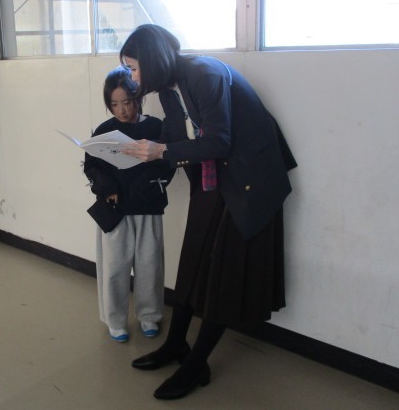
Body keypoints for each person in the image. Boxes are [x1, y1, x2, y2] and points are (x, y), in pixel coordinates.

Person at [120, 24, 297, 400]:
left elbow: (219, 140)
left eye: (133, 68)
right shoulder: (169, 88)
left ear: (152, 60)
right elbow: (174, 138)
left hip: (252, 179)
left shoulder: (205, 73)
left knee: (224, 274)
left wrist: (161, 151)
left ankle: (196, 365)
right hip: (217, 175)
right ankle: (175, 345)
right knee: (193, 259)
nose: (132, 77)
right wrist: (134, 150)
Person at [84, 66, 174, 343]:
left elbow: (168, 163)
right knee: (115, 268)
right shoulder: (104, 131)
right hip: (116, 210)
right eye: (114, 104)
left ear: (138, 98)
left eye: (126, 102)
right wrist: (108, 189)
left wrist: (149, 185)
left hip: (148, 207)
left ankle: (149, 316)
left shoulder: (155, 127)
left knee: (150, 266)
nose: (122, 110)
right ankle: (116, 320)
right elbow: (92, 167)